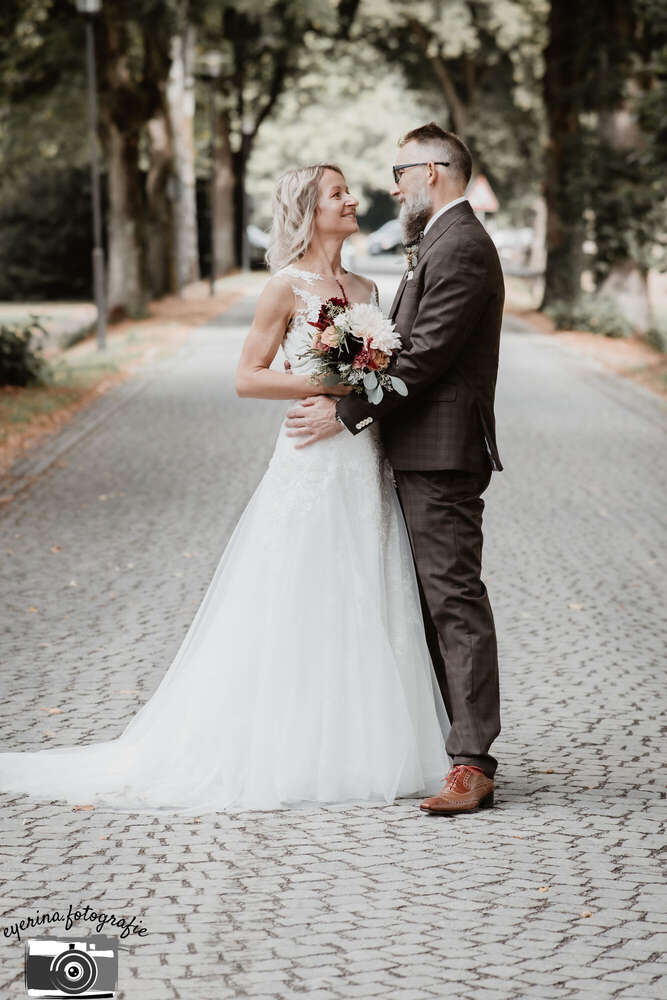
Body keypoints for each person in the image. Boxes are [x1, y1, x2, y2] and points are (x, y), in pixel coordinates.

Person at [0, 162, 452, 814]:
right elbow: (248, 377)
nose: (352, 199)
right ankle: (289, 742)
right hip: (308, 459)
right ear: (308, 208)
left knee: (366, 582)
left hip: (361, 457)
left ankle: (366, 739)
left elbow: (379, 375)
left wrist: (359, 389)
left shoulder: (365, 286)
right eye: (337, 193)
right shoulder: (284, 288)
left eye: (347, 190)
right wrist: (326, 384)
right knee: (302, 589)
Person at [285, 124, 504, 815]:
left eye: (398, 171)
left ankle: (470, 762)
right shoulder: (437, 240)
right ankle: (445, 741)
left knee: (452, 599)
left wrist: (344, 415)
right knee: (423, 603)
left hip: (440, 454)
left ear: (432, 172)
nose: (390, 185)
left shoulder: (461, 245)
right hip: (414, 449)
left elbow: (425, 355)